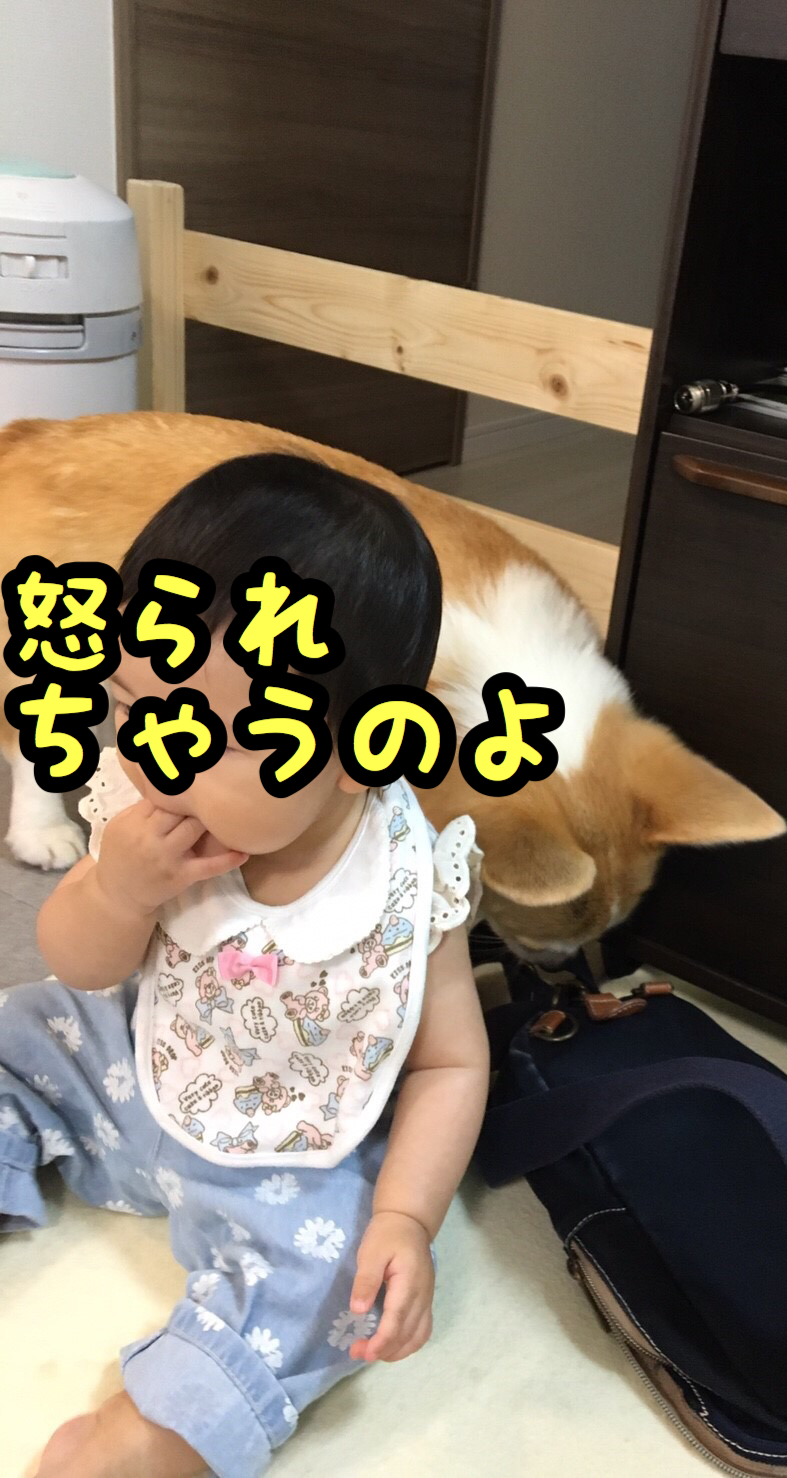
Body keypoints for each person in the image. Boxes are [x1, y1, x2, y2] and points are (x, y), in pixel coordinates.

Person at [0, 454, 490, 1478]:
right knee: (18, 1027)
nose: (160, 753)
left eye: (224, 736)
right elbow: (79, 964)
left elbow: (449, 1064)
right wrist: (119, 890)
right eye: (137, 702)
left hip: (285, 1152)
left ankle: (165, 1423)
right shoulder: (144, 806)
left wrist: (406, 1216)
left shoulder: (401, 882)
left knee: (339, 1278)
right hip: (132, 1066)